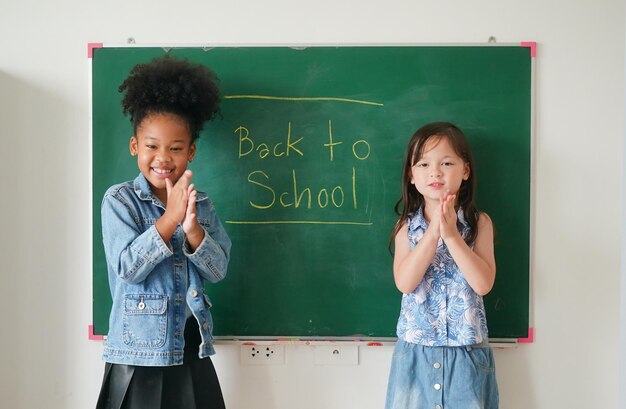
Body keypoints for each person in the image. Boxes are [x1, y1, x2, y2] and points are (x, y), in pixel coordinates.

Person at [96, 55, 231, 409]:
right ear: (134, 147)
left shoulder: (200, 204)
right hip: (138, 354)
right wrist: (169, 219)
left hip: (190, 348)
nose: (163, 157)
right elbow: (127, 267)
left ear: (191, 152)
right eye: (152, 146)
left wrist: (193, 230)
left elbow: (218, 270)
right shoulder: (119, 200)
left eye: (175, 148)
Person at [385, 122, 499, 409]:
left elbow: (483, 283)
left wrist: (451, 235)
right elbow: (405, 283)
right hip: (415, 354)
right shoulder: (406, 227)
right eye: (423, 164)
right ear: (411, 175)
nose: (435, 172)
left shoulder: (479, 223)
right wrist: (433, 232)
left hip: (467, 353)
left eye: (447, 162)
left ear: (465, 170)